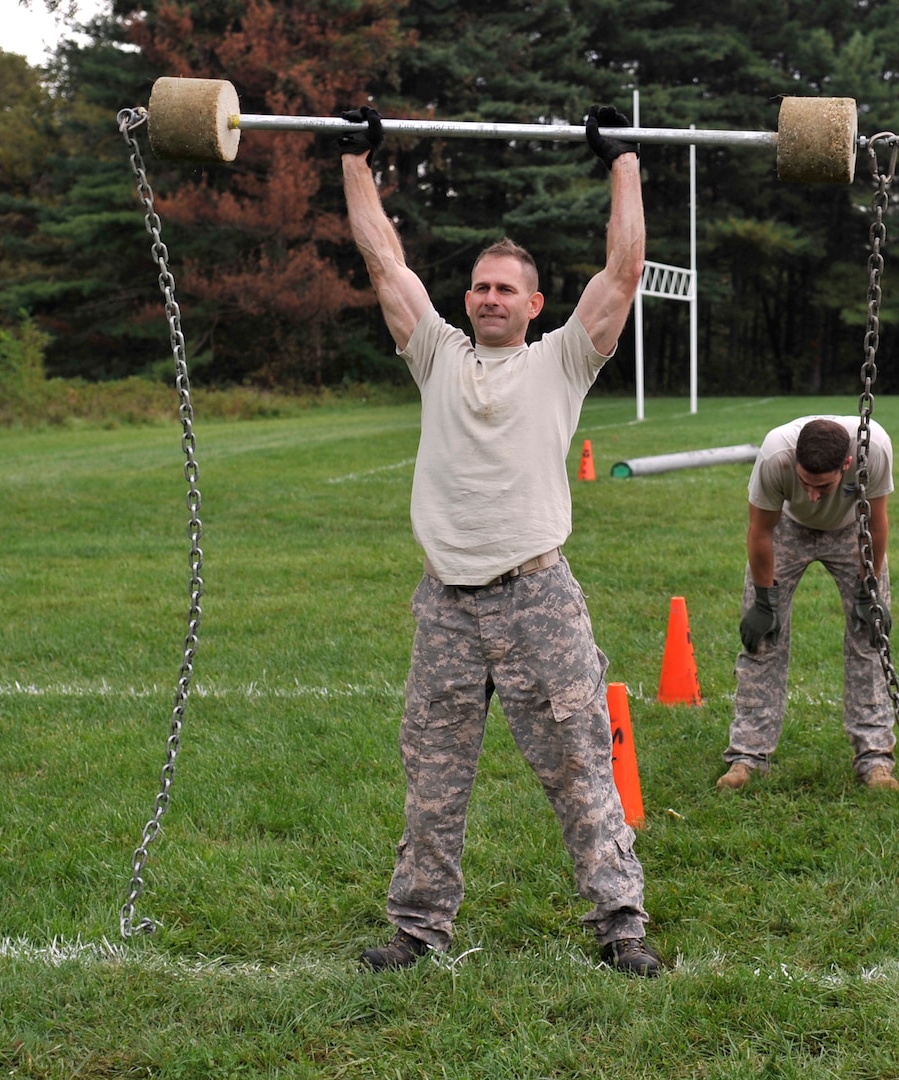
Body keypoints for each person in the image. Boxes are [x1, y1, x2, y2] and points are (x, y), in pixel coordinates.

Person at [337, 104, 661, 975]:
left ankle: (620, 925)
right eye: (479, 286)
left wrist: (623, 160)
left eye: (505, 288)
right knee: (433, 780)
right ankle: (417, 931)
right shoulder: (434, 353)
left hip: (537, 597)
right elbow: (382, 259)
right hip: (446, 602)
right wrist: (356, 159)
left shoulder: (564, 360)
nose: (488, 298)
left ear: (534, 303)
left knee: (580, 766)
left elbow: (625, 268)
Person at [716, 415, 899, 791]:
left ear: (847, 465)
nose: (813, 494)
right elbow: (760, 530)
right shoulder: (775, 455)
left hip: (853, 528)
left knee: (869, 637)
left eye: (824, 486)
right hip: (787, 528)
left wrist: (870, 589)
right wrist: (765, 601)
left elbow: (878, 524)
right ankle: (747, 757)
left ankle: (875, 758)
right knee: (761, 640)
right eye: (805, 483)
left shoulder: (874, 448)